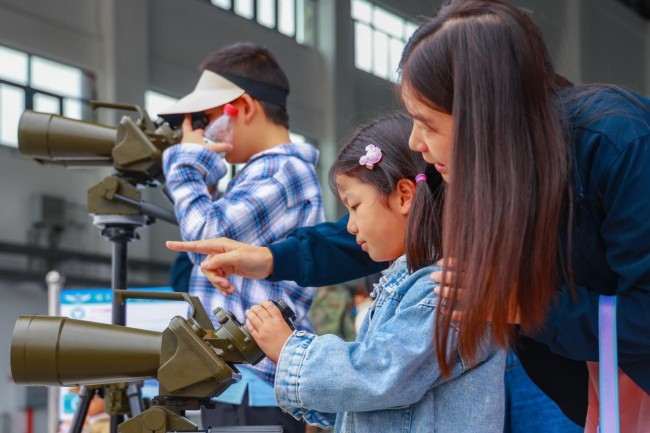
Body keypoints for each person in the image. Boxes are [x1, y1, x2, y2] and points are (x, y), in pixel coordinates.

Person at [169, 0, 650, 430]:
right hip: (576, 382)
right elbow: (372, 234)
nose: (416, 144)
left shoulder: (619, 146)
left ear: (484, 110)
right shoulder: (474, 164)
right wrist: (269, 259)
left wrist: (526, 306)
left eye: (427, 123)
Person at [250, 112, 505, 432]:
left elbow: (379, 375)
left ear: (403, 196)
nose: (351, 226)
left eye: (354, 206)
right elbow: (373, 402)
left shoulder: (440, 290)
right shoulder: (412, 284)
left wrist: (293, 352)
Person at [159, 42, 325, 433]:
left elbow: (208, 237)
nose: (200, 130)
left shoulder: (284, 171)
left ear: (245, 107)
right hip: (240, 383)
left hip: (257, 383)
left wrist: (184, 165)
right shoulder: (259, 173)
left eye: (207, 117)